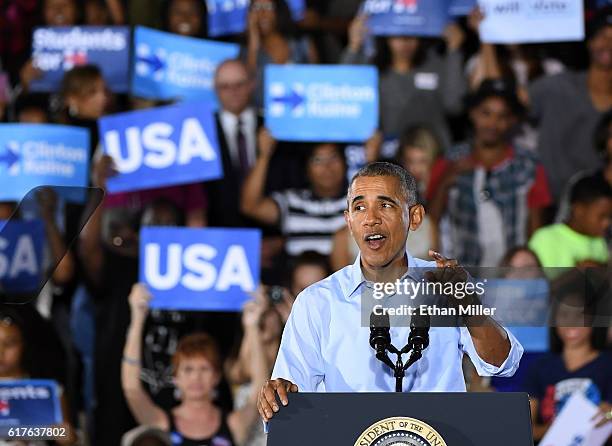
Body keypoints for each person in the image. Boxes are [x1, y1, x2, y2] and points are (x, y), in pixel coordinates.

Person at [257, 162, 523, 421]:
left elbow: (503, 363)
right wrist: (276, 394)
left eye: (385, 205)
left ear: (414, 217)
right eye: (359, 207)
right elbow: (290, 394)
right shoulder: (316, 302)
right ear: (348, 221)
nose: (371, 219)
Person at [122, 284, 267, 446]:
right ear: (175, 377)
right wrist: (137, 319)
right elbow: (132, 389)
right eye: (188, 369)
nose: (196, 377)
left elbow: (260, 389)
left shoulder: (234, 424)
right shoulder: (161, 423)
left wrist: (252, 326)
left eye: (204, 369)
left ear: (217, 376)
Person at [427, 79, 552, 267]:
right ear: (472, 114)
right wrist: (446, 181)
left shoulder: (529, 165)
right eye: (485, 113)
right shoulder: (451, 160)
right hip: (461, 274)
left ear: (512, 120)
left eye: (502, 116)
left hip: (509, 275)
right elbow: (431, 221)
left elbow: (536, 230)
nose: (492, 123)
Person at [340, 15, 467, 148]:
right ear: (386, 36)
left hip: (434, 156)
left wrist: (454, 50)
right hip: (388, 157)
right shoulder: (371, 69)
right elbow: (344, 98)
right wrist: (353, 45)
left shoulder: (436, 65)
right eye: (398, 34)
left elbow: (455, 105)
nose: (405, 41)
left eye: (411, 34)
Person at [527, 7, 612, 202]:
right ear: (589, 41)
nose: (608, 44)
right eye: (601, 36)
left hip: (603, 212)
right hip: (554, 206)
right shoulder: (557, 86)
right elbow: (500, 102)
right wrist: (487, 38)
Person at [523, 276, 612, 441]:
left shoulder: (608, 365)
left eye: (580, 315)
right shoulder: (540, 367)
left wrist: (610, 415)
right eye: (564, 314)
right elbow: (525, 430)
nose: (571, 322)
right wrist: (560, 427)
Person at [241, 132, 347, 256]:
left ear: (345, 163)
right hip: (301, 273)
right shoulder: (292, 201)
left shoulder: (361, 201)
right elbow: (251, 206)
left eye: (333, 158)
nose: (327, 167)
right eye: (317, 160)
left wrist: (371, 160)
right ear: (306, 170)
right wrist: (264, 155)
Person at [529, 174, 612, 268]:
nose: (607, 223)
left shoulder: (603, 242)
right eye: (602, 216)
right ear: (579, 210)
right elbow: (533, 281)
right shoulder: (546, 239)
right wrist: (575, 275)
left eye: (610, 217)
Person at [246, 0, 317, 105]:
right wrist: (253, 44)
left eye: (268, 7)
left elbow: (317, 82)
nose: (262, 13)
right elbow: (246, 90)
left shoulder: (302, 45)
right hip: (262, 115)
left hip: (301, 110)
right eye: (256, 8)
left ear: (279, 11)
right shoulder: (246, 50)